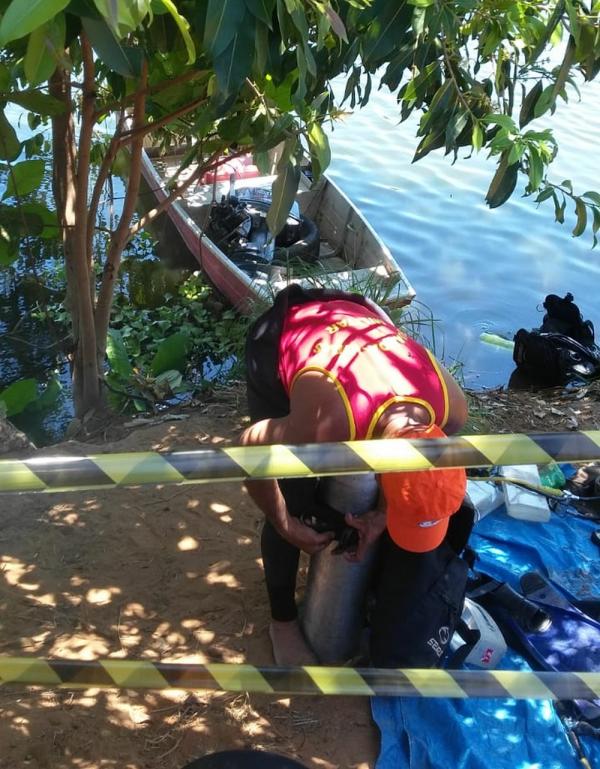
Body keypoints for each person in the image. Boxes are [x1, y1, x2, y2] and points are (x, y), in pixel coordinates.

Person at [239, 284, 473, 667]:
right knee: (293, 493)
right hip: (289, 331)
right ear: (382, 471)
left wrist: (383, 513)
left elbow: (413, 473)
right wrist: (284, 523)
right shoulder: (325, 424)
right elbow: (249, 450)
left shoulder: (451, 407)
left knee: (329, 483)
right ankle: (281, 623)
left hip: (361, 318)